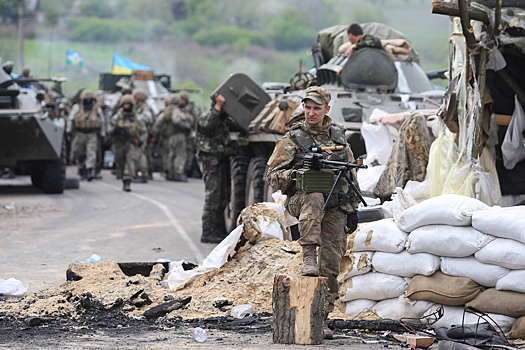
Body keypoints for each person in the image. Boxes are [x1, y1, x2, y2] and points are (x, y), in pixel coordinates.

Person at [266, 86, 361, 339]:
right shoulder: (293, 139)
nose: (311, 112)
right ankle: (308, 253)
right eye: (307, 107)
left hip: (334, 205)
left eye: (316, 108)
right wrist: (296, 174)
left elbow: (350, 175)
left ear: (326, 110)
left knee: (330, 264)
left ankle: (321, 318)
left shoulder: (339, 138)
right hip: (302, 200)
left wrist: (352, 210)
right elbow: (272, 176)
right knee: (314, 195)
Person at [196, 94, 235, 243]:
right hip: (211, 163)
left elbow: (237, 126)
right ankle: (207, 232)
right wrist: (218, 106)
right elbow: (207, 125)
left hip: (222, 161)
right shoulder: (207, 117)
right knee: (212, 198)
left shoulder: (224, 120)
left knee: (223, 198)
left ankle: (217, 230)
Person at [108, 95, 147, 192]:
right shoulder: (117, 117)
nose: (126, 106)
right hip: (119, 143)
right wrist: (116, 130)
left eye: (128, 104)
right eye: (124, 104)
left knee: (130, 161)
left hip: (132, 143)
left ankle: (127, 181)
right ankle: (123, 177)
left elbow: (143, 131)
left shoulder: (137, 117)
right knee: (120, 161)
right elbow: (109, 129)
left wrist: (141, 141)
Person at [66, 89, 106, 181]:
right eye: (86, 99)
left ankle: (89, 170)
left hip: (92, 134)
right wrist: (69, 130)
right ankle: (81, 168)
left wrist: (103, 133)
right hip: (79, 133)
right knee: (77, 152)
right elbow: (71, 118)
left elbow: (102, 121)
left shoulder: (96, 109)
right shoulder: (77, 108)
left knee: (91, 152)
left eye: (90, 99)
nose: (88, 101)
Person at [133, 88, 155, 182]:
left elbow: (148, 118)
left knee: (141, 153)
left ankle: (143, 173)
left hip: (142, 132)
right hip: (137, 132)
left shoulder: (145, 108)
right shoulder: (138, 107)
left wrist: (136, 119)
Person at [179, 90, 202, 179]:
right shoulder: (180, 108)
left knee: (193, 153)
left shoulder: (193, 109)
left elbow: (197, 121)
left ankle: (195, 171)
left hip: (192, 133)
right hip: (185, 134)